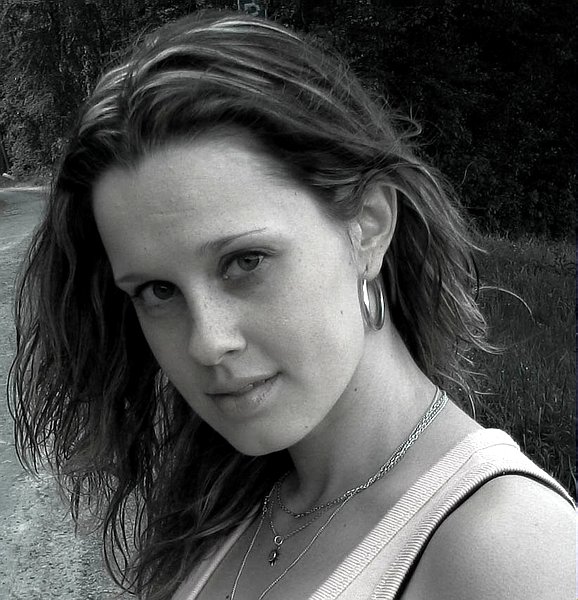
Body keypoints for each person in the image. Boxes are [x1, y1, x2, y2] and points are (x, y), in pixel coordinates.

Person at [9, 10, 574, 600]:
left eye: (245, 261)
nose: (207, 342)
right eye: (158, 291)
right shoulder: (229, 503)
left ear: (368, 226)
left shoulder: (509, 550)